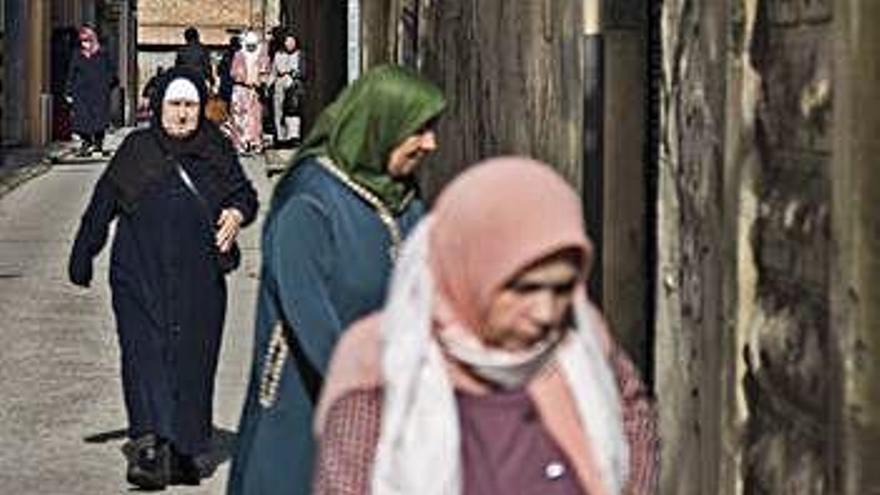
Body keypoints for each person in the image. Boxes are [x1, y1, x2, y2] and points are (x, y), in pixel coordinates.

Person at [312, 157, 660, 495]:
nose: (545, 312)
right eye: (523, 289)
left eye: (563, 288)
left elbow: (633, 418)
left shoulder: (581, 343)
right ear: (469, 272)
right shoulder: (385, 364)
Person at [226, 64, 446, 495]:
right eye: (418, 130)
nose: (430, 144)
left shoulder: (404, 198)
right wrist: (375, 398)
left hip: (391, 407)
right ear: (381, 124)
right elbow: (314, 325)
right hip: (306, 407)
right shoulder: (309, 203)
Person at [67, 67, 259, 491]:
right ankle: (151, 447)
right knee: (144, 357)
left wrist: (236, 213)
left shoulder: (216, 148)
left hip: (200, 281)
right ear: (159, 107)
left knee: (194, 361)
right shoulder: (137, 148)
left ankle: (187, 447)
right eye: (175, 105)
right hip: (139, 276)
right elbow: (103, 203)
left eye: (190, 105)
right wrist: (84, 254)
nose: (183, 114)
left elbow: (245, 194)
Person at [65, 24, 115, 156]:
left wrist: (108, 84)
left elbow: (111, 72)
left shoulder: (103, 53)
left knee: (99, 119)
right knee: (81, 119)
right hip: (81, 92)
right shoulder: (77, 54)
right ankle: (86, 142)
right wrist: (69, 91)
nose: (85, 43)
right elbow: (72, 73)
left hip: (99, 92)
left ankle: (98, 144)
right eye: (82, 40)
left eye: (87, 39)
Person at [230, 31, 270, 154]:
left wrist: (261, 80)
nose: (251, 48)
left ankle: (255, 143)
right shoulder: (239, 55)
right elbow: (233, 73)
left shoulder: (262, 56)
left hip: (255, 92)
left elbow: (266, 71)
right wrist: (244, 79)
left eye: (253, 45)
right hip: (241, 91)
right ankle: (241, 144)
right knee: (240, 117)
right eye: (249, 45)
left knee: (255, 118)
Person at [268, 32, 304, 146]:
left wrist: (295, 74)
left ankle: (293, 136)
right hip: (280, 83)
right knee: (278, 111)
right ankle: (280, 137)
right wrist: (268, 85)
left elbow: (304, 71)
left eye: (292, 42)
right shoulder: (278, 55)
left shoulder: (300, 55)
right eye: (287, 42)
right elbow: (273, 72)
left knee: (293, 111)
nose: (290, 44)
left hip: (294, 84)